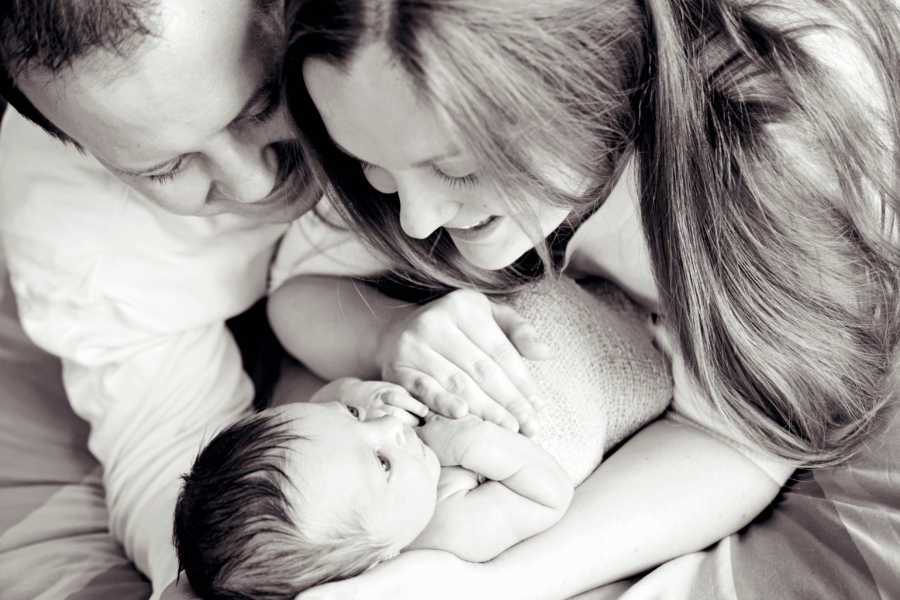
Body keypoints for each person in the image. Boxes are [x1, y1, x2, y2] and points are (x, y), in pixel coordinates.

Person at [265, 0, 899, 598]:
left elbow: (745, 434)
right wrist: (387, 331)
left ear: (577, 81)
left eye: (454, 169)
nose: (415, 220)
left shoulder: (772, 140)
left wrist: (499, 584)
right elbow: (295, 296)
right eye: (372, 168)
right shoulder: (390, 100)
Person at [0, 2, 399, 598]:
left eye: (264, 102)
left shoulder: (418, 39)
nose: (253, 183)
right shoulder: (61, 206)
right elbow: (168, 451)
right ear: (85, 150)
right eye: (166, 167)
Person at [172, 276, 671, 599]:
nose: (390, 425)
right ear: (377, 561)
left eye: (351, 416)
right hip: (615, 375)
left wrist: (361, 394)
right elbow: (546, 494)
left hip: (547, 304)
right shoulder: (445, 531)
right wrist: (466, 443)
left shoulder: (352, 462)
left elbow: (332, 396)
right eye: (383, 463)